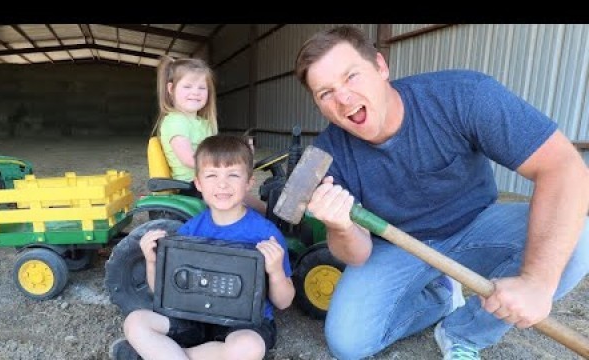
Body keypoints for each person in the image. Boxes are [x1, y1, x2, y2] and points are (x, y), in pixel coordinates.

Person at [294, 25, 589, 360]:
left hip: (478, 226)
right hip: (395, 246)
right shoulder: (327, 156)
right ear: (319, 106)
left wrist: (537, 282)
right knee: (348, 343)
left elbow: (566, 168)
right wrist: (341, 226)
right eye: (325, 93)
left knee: (578, 242)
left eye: (351, 77)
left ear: (380, 66)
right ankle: (439, 298)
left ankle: (463, 332)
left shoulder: (461, 95)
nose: (343, 98)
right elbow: (356, 255)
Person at [111, 134, 295, 360]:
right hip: (191, 317)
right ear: (198, 183)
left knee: (250, 347)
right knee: (135, 321)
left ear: (249, 183)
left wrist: (276, 270)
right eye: (211, 175)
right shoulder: (189, 230)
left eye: (233, 175)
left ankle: (157, 355)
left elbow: (284, 302)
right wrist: (151, 260)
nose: (222, 184)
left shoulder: (266, 234)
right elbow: (160, 292)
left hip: (244, 324)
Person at [151, 55, 267, 213]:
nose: (195, 92)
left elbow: (216, 151)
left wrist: (241, 152)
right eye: (188, 87)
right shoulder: (175, 122)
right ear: (171, 89)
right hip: (192, 186)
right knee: (248, 208)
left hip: (210, 179)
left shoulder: (203, 123)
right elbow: (189, 159)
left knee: (258, 206)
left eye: (201, 88)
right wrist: (228, 161)